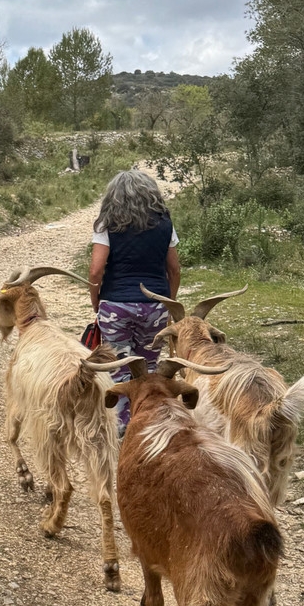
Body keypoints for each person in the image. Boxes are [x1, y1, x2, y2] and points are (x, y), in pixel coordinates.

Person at [88, 170, 181, 433]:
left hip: (115, 305)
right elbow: (174, 270)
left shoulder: (107, 224)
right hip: (155, 307)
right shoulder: (165, 224)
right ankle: (148, 426)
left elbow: (96, 271)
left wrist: (97, 302)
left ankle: (121, 429)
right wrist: (168, 304)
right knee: (148, 369)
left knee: (118, 371)